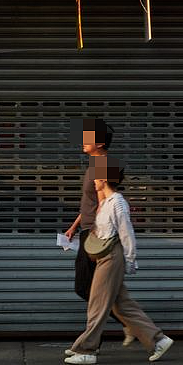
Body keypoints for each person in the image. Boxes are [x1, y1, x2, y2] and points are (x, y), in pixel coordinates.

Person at [64, 163, 174, 365]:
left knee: (98, 304)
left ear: (104, 179)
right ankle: (158, 340)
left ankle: (87, 350)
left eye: (96, 178)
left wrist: (131, 260)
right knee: (121, 304)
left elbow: (127, 233)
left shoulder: (117, 203)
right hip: (104, 257)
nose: (94, 182)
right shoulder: (105, 203)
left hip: (113, 258)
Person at [64, 119, 134, 346]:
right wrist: (75, 225)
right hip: (86, 229)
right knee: (107, 291)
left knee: (85, 287)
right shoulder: (93, 165)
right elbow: (90, 200)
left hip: (95, 236)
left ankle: (100, 337)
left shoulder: (104, 165)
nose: (84, 141)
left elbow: (105, 201)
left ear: (101, 143)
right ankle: (137, 328)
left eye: (89, 138)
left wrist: (95, 231)